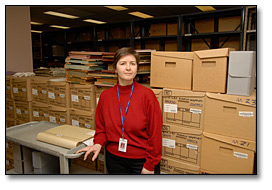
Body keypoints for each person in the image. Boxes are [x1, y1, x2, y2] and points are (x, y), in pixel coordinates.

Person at [76, 47, 162, 174]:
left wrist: (150, 165)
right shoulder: (105, 97)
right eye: (123, 63)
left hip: (141, 161)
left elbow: (155, 134)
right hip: (114, 159)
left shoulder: (147, 96)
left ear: (137, 68)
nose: (128, 68)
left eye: (132, 64)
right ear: (115, 68)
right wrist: (98, 144)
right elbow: (101, 129)